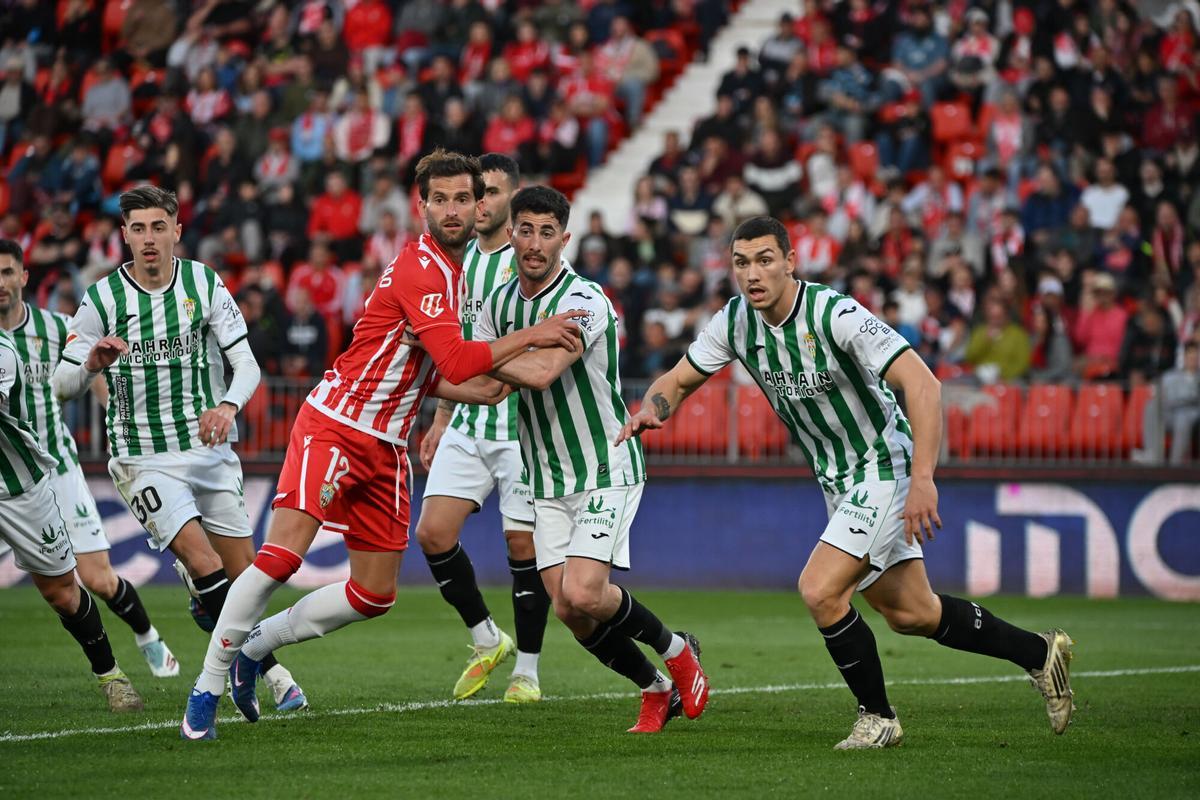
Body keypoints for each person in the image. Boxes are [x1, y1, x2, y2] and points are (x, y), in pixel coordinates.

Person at [617, 216, 1074, 748]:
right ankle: (1040, 654)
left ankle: (878, 718)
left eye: (765, 259)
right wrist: (653, 409)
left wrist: (923, 476)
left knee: (820, 589)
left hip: (885, 464)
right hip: (839, 480)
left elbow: (923, 385)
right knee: (911, 613)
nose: (753, 274)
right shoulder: (736, 322)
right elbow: (677, 379)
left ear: (791, 262)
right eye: (741, 263)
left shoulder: (835, 314)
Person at [180, 150, 583, 740]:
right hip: (338, 423)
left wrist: (491, 387)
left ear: (477, 207)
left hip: (388, 444)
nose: (451, 209)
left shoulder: (455, 269)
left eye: (461, 199)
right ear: (421, 207)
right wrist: (535, 336)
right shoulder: (424, 267)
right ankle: (205, 690)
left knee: (373, 594)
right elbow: (454, 357)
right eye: (439, 199)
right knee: (282, 557)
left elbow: (428, 371)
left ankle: (256, 646)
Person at [50, 185, 307, 721]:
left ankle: (226, 627)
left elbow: (249, 366)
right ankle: (264, 674)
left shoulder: (203, 283)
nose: (149, 239)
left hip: (209, 447)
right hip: (142, 457)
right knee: (205, 561)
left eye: (158, 227)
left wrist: (229, 407)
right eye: (138, 229)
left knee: (244, 582)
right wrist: (91, 363)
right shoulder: (101, 300)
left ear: (176, 231)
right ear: (124, 234)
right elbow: (60, 385)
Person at [479, 185, 709, 734]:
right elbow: (486, 388)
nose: (535, 243)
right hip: (548, 477)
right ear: (511, 233)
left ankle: (678, 651)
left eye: (547, 231)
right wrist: (447, 367)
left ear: (566, 238)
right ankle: (654, 689)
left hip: (605, 466)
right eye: (526, 229)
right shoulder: (498, 304)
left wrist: (473, 357)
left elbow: (538, 373)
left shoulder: (585, 300)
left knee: (584, 590)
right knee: (568, 609)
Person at [0, 239, 178, 678]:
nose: (0, 283)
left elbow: (92, 367)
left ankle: (147, 635)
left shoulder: (55, 327)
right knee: (61, 588)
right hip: (9, 478)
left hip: (56, 468)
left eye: (7, 272)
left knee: (98, 579)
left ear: (23, 278)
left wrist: (114, 418)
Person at [415, 154, 551, 703]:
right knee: (432, 533)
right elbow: (455, 343)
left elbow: (539, 350)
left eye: (492, 193)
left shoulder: (529, 262)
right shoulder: (459, 262)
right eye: (479, 193)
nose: (483, 203)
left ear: (510, 200)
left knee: (523, 547)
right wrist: (440, 417)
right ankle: (487, 639)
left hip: (521, 429)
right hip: (469, 418)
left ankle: (529, 671)